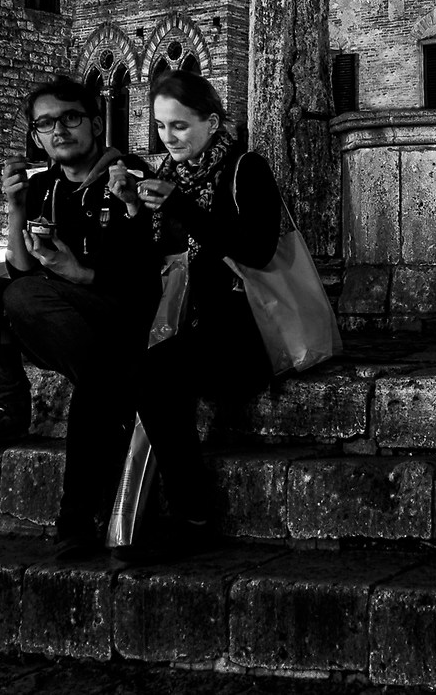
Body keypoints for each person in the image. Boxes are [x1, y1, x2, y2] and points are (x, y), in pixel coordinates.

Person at [0, 76, 164, 557]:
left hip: (119, 323)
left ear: (94, 120)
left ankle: (78, 513)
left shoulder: (125, 177)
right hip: (60, 322)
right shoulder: (44, 186)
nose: (58, 131)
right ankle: (11, 408)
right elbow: (21, 267)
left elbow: (144, 277)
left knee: (28, 302)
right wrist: (15, 208)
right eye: (45, 123)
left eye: (69, 118)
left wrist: (80, 273)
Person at [113, 69, 280, 559]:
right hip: (182, 326)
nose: (169, 138)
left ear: (211, 122)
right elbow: (145, 266)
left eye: (180, 126)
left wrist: (183, 206)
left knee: (154, 373)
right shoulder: (163, 178)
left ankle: (193, 516)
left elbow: (258, 250)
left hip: (245, 332)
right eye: (161, 127)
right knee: (137, 370)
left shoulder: (246, 169)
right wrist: (131, 212)